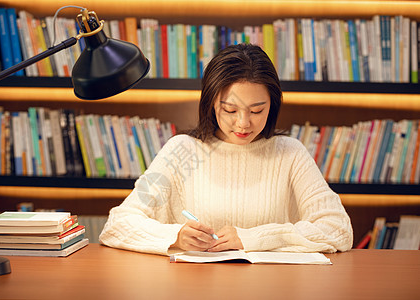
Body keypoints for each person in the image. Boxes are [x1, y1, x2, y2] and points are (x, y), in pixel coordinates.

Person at [99, 43, 353, 255]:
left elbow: (337, 229)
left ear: (272, 106)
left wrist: (253, 238)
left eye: (257, 111)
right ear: (210, 104)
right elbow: (118, 224)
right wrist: (175, 236)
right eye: (230, 110)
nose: (243, 123)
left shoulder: (289, 153)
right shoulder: (183, 152)